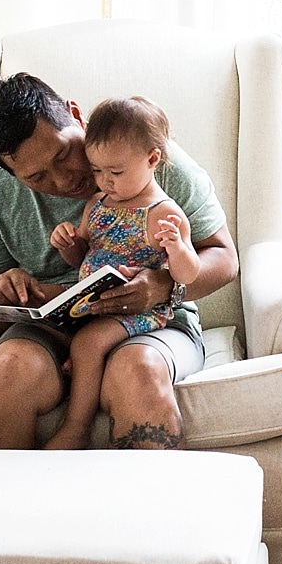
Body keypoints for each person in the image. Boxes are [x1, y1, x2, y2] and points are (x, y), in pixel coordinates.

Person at [0, 72, 237, 450]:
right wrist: (2, 295)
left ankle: (147, 508)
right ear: (11, 175)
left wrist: (163, 286)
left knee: (137, 371)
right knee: (10, 369)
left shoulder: (151, 161)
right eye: (37, 176)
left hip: (151, 324)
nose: (63, 180)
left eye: (63, 154)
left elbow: (224, 257)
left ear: (75, 115)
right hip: (51, 332)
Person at [40, 96, 200, 450]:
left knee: (88, 342)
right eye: (97, 171)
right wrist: (69, 245)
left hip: (142, 311)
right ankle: (83, 368)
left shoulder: (163, 214)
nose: (104, 181)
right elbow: (84, 254)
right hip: (94, 304)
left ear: (152, 159)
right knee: (63, 333)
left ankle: (75, 427)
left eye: (116, 172)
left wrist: (177, 249)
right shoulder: (96, 204)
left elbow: (188, 274)